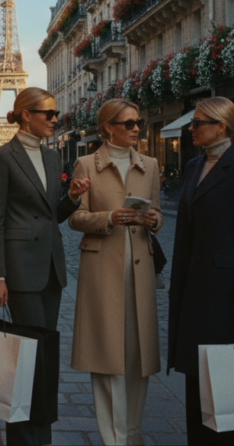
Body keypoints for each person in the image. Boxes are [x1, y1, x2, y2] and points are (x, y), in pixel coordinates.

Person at [0, 87, 90, 446]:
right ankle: (22, 438)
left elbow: (51, 217)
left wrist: (72, 199)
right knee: (25, 356)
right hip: (20, 271)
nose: (54, 119)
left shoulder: (50, 157)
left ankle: (41, 436)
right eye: (47, 113)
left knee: (43, 356)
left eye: (55, 113)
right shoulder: (2, 156)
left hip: (51, 269)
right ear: (26, 114)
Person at [168, 96, 234, 446]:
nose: (190, 128)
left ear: (220, 126)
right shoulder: (195, 166)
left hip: (226, 292)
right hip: (194, 290)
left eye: (197, 123)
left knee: (229, 384)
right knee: (198, 379)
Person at [67, 99, 162, 445]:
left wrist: (153, 220)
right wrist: (107, 218)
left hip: (139, 274)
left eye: (138, 122)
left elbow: (159, 213)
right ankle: (114, 439)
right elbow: (75, 217)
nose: (137, 128)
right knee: (106, 356)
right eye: (129, 123)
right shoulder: (86, 164)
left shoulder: (150, 165)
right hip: (101, 274)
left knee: (139, 357)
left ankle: (132, 434)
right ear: (108, 128)